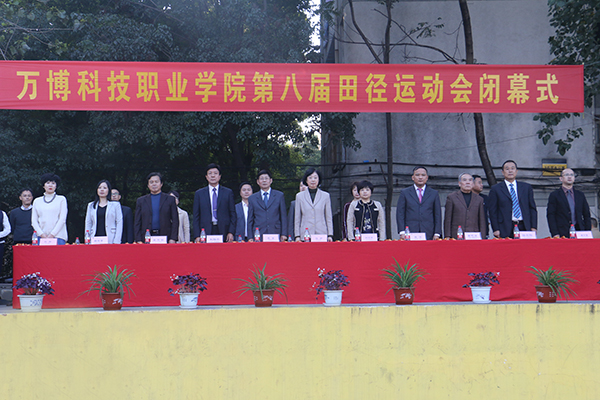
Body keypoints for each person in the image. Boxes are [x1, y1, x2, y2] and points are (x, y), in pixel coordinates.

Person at [488, 160, 537, 238]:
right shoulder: (496, 189)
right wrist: (495, 229)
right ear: (503, 172)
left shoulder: (526, 187)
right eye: (507, 169)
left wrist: (533, 227)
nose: (510, 171)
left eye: (512, 168)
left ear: (516, 171)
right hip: (505, 227)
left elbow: (532, 208)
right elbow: (493, 211)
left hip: (524, 225)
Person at [193, 163, 236, 242]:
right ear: (206, 177)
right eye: (210, 173)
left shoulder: (228, 192)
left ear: (219, 176)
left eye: (215, 173)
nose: (212, 176)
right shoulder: (199, 194)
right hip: (205, 230)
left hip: (224, 229)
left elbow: (232, 214)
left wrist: (231, 232)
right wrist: (197, 235)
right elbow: (196, 216)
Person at [396, 166, 442, 240]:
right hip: (409, 231)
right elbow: (400, 213)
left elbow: (437, 215)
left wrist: (437, 233)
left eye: (423, 175)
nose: (420, 177)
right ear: (413, 177)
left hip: (429, 232)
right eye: (417, 175)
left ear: (427, 177)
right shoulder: (405, 193)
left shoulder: (434, 193)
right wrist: (402, 231)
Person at [134, 172, 179, 243]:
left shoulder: (170, 199)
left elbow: (175, 220)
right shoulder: (141, 201)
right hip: (146, 237)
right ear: (148, 185)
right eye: (151, 182)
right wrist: (138, 239)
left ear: (161, 184)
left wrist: (173, 238)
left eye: (156, 182)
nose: (154, 184)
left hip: (165, 236)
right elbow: (137, 221)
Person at [546, 168, 591, 238]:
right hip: (562, 232)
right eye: (566, 175)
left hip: (579, 231)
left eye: (572, 175)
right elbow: (551, 215)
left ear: (574, 178)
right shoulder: (555, 195)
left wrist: (587, 232)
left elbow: (586, 214)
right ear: (561, 178)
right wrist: (555, 233)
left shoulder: (580, 195)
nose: (569, 177)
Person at [294, 168, 333, 241]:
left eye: (315, 178)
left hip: (321, 233)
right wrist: (297, 235)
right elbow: (297, 218)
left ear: (319, 180)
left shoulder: (325, 196)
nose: (313, 180)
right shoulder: (299, 196)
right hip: (305, 234)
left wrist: (330, 234)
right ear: (306, 180)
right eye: (310, 178)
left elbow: (328, 217)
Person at [248, 170, 287, 241]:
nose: (264, 181)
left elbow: (283, 216)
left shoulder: (279, 195)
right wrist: (250, 237)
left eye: (266, 178)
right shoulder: (252, 198)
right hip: (258, 233)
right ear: (258, 182)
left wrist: (284, 234)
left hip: (275, 231)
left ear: (271, 180)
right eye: (262, 179)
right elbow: (250, 219)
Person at [444, 173, 486, 239]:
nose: (467, 182)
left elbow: (482, 220)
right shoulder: (452, 197)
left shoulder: (479, 199)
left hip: (473, 235)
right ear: (459, 183)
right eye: (464, 180)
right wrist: (447, 236)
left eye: (470, 180)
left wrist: (483, 236)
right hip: (456, 235)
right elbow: (448, 219)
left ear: (473, 184)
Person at [31, 173, 68, 245]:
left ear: (56, 186)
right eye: (48, 183)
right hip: (40, 237)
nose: (50, 185)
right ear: (43, 185)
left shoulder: (61, 199)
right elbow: (34, 221)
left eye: (53, 183)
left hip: (58, 236)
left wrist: (52, 235)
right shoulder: (37, 201)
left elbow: (62, 219)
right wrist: (42, 234)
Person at [85, 180, 123, 244]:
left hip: (110, 239)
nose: (102, 190)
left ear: (108, 190)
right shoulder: (91, 205)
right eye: (99, 188)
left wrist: (117, 241)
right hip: (94, 238)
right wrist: (87, 239)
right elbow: (88, 223)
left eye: (104, 188)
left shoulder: (115, 205)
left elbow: (119, 223)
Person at [471, 174, 489, 238]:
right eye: (479, 183)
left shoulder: (485, 198)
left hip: (483, 231)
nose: (482, 185)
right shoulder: (465, 198)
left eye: (481, 183)